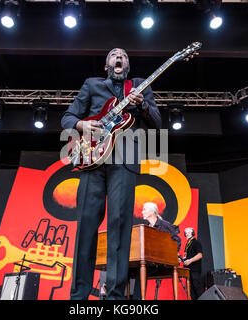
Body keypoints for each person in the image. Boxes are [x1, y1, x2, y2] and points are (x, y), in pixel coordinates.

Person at [61, 48, 161, 300]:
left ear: (127, 65)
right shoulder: (92, 85)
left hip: (124, 161)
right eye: (114, 55)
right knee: (86, 228)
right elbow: (68, 117)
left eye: (124, 56)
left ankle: (116, 296)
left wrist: (145, 107)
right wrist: (82, 124)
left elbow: (158, 122)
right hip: (92, 161)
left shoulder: (139, 87)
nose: (119, 57)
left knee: (120, 227)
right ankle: (79, 296)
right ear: (107, 64)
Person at [131, 202, 180, 299]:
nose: (142, 212)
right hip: (150, 261)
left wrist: (170, 255)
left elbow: (177, 240)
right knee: (130, 269)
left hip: (161, 262)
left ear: (152, 211)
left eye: (144, 209)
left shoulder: (164, 225)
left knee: (140, 270)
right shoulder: (146, 227)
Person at [180, 227, 204, 299]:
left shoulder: (196, 243)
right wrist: (181, 260)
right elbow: (186, 256)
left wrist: (190, 260)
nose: (186, 234)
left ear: (193, 233)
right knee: (191, 291)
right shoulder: (187, 244)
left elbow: (200, 255)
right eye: (185, 233)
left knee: (198, 289)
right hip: (188, 270)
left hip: (195, 270)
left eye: (188, 232)